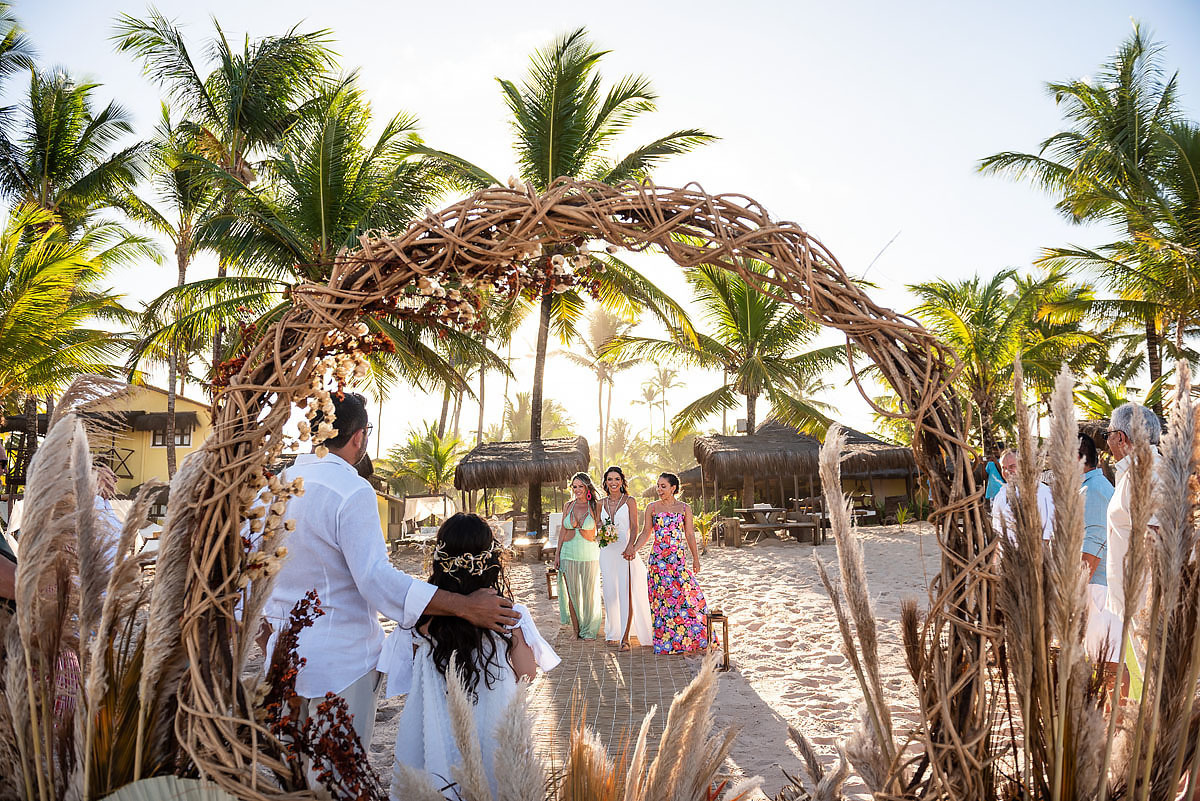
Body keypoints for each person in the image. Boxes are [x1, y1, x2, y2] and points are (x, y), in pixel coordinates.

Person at [264, 392, 518, 766]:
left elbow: (252, 570)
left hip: (282, 657)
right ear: (358, 437)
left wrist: (264, 631)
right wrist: (464, 606)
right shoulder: (351, 490)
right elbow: (375, 580)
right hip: (340, 663)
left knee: (291, 778)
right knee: (338, 780)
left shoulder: (274, 488)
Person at [388, 513, 558, 801]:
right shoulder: (511, 616)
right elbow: (528, 673)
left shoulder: (421, 621)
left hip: (438, 727)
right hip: (494, 727)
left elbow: (404, 677)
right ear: (492, 560)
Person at [1103, 402, 1162, 699]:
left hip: (1149, 596)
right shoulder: (1134, 471)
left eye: (1108, 434)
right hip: (1139, 593)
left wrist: (1154, 600)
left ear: (1122, 438)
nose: (1108, 441)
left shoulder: (1145, 472)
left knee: (1159, 677)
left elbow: (1158, 534)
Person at [628, 472, 715, 654]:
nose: (659, 490)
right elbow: (646, 533)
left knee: (684, 597)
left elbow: (690, 534)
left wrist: (696, 558)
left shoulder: (684, 508)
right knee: (661, 601)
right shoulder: (652, 508)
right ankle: (666, 643)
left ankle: (687, 639)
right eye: (658, 486)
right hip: (658, 561)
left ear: (673, 488)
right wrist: (633, 549)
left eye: (663, 486)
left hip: (677, 560)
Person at [598, 466, 653, 649]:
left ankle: (625, 637)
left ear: (622, 481)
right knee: (610, 593)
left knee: (625, 592)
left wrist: (631, 545)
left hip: (624, 550)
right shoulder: (600, 503)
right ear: (605, 482)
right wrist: (602, 531)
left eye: (617, 479)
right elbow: (598, 525)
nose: (613, 483)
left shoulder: (630, 501)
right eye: (610, 479)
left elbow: (636, 527)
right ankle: (613, 631)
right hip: (606, 551)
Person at [1078, 434, 1120, 666]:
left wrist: (1076, 586)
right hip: (1096, 583)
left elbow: (1095, 541)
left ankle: (1120, 704)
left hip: (1096, 584)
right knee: (1101, 657)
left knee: (1107, 660)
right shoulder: (1092, 486)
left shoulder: (1092, 490)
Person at [554, 472, 603, 640]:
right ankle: (575, 630)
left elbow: (601, 528)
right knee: (572, 594)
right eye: (574, 486)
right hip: (568, 552)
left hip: (590, 554)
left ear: (587, 487)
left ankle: (588, 628)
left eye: (580, 486)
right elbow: (563, 530)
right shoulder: (568, 505)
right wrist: (557, 554)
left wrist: (604, 532)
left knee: (589, 594)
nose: (577, 490)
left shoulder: (595, 506)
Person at [990, 449, 1054, 544]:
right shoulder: (1001, 494)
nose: (1007, 471)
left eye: (1012, 466)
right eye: (1004, 467)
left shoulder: (1043, 492)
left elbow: (1048, 534)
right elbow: (997, 533)